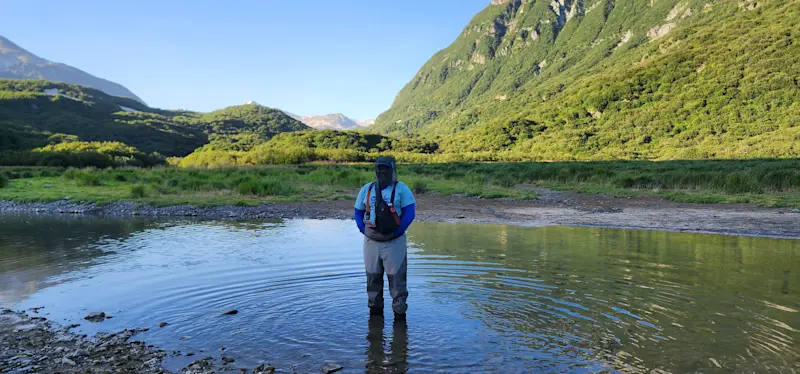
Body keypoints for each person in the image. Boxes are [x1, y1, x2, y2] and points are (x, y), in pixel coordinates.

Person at [354, 156, 416, 319]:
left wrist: (397, 232)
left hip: (394, 242)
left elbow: (410, 213)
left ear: (392, 170)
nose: (383, 171)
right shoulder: (366, 189)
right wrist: (363, 230)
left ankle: (400, 319)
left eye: (386, 168)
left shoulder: (402, 189)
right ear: (376, 170)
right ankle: (375, 322)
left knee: (397, 282)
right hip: (371, 241)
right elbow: (358, 212)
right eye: (380, 168)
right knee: (372, 280)